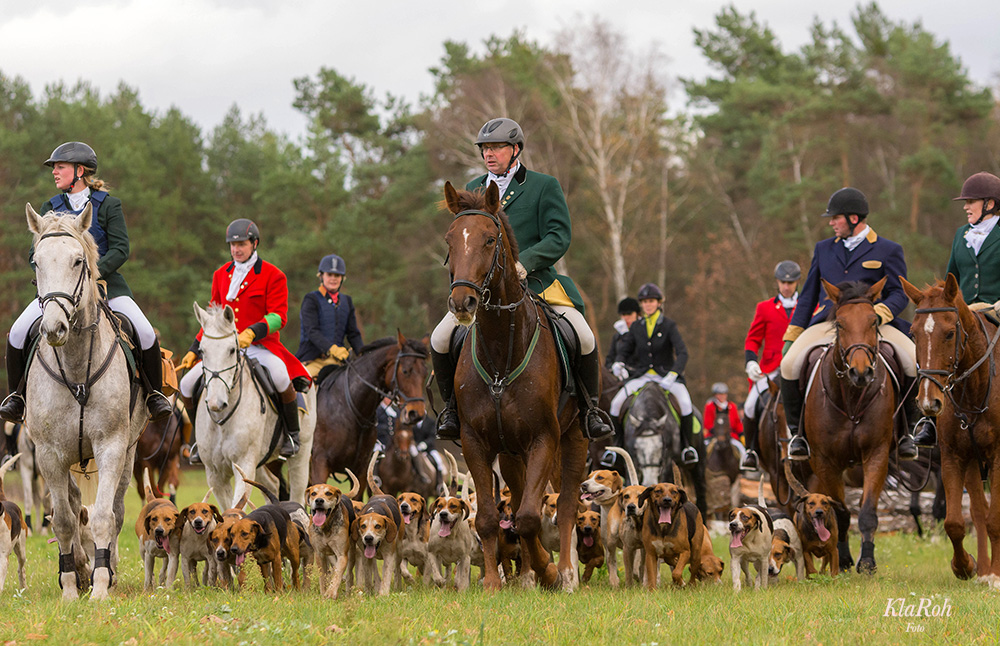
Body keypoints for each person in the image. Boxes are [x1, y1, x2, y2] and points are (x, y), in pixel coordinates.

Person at [430, 117, 613, 442]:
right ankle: (451, 412)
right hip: (482, 291)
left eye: (497, 147)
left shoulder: (544, 186)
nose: (489, 154)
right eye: (485, 148)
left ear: (515, 150)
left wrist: (524, 263)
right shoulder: (472, 189)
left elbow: (559, 235)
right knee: (439, 339)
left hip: (539, 283)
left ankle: (590, 411)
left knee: (584, 336)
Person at [0, 142, 172, 424]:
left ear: (79, 171)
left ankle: (153, 394)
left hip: (107, 286)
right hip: (60, 289)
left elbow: (120, 248)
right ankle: (17, 399)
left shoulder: (109, 205)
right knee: (17, 333)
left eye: (60, 167)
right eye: (54, 167)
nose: (54, 172)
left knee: (145, 332)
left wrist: (92, 273)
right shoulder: (49, 208)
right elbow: (35, 252)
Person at [780, 187, 919, 461]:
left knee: (913, 361)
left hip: (873, 323)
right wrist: (791, 335)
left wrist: (879, 313)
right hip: (829, 322)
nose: (831, 222)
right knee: (788, 365)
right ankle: (798, 435)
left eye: (836, 218)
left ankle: (908, 434)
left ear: (853, 218)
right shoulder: (823, 249)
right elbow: (808, 296)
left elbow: (899, 292)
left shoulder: (888, 249)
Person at [177, 219, 310, 463]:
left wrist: (252, 332)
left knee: (281, 376)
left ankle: (292, 435)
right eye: (232, 245)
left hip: (260, 346)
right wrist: (194, 349)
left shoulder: (273, 275)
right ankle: (198, 441)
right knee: (186, 384)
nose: (236, 249)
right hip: (224, 349)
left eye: (242, 244)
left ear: (254, 243)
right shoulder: (220, 275)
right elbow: (213, 319)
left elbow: (279, 316)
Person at [914, 172, 1000, 447]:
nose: (965, 206)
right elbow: (950, 277)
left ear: (990, 203)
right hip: (965, 313)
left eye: (971, 201)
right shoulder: (961, 235)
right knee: (932, 350)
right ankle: (928, 421)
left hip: (998, 310)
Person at [609, 283, 699, 465]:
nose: (648, 305)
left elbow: (683, 352)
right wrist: (619, 362)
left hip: (666, 376)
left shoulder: (668, 325)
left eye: (651, 301)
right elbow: (625, 350)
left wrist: (674, 373)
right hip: (642, 376)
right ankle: (616, 449)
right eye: (644, 302)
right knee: (615, 404)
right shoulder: (637, 327)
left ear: (659, 303)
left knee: (685, 403)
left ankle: (687, 447)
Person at [740, 260, 800, 471]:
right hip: (771, 369)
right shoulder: (764, 308)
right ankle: (751, 451)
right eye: (783, 282)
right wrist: (751, 362)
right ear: (777, 282)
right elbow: (753, 340)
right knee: (749, 405)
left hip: (801, 367)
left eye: (790, 282)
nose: (786, 286)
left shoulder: (809, 306)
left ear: (796, 283)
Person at [296, 253, 363, 377]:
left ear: (342, 278)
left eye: (337, 275)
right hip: (313, 360)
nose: (333, 278)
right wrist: (332, 349)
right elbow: (312, 331)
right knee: (298, 387)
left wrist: (364, 355)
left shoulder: (347, 301)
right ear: (321, 276)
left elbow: (353, 334)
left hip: (339, 361)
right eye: (329, 274)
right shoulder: (311, 299)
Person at [605, 297, 641, 368]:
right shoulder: (618, 336)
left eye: (629, 314)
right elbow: (610, 359)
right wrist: (613, 368)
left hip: (640, 373)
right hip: (620, 373)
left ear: (637, 314)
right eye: (623, 314)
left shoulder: (645, 332)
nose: (626, 317)